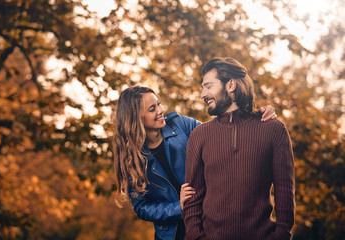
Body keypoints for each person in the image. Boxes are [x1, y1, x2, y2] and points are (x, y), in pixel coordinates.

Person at [113, 86, 277, 240]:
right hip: (173, 235)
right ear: (135, 119)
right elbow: (142, 208)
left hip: (210, 222)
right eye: (152, 109)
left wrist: (255, 117)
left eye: (158, 104)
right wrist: (179, 207)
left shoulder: (180, 124)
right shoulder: (131, 159)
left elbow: (221, 135)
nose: (160, 110)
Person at [183, 57, 295, 240]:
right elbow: (192, 198)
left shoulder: (273, 129)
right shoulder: (199, 135)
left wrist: (280, 235)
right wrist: (196, 237)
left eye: (208, 86)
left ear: (231, 85)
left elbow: (285, 192)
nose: (203, 94)